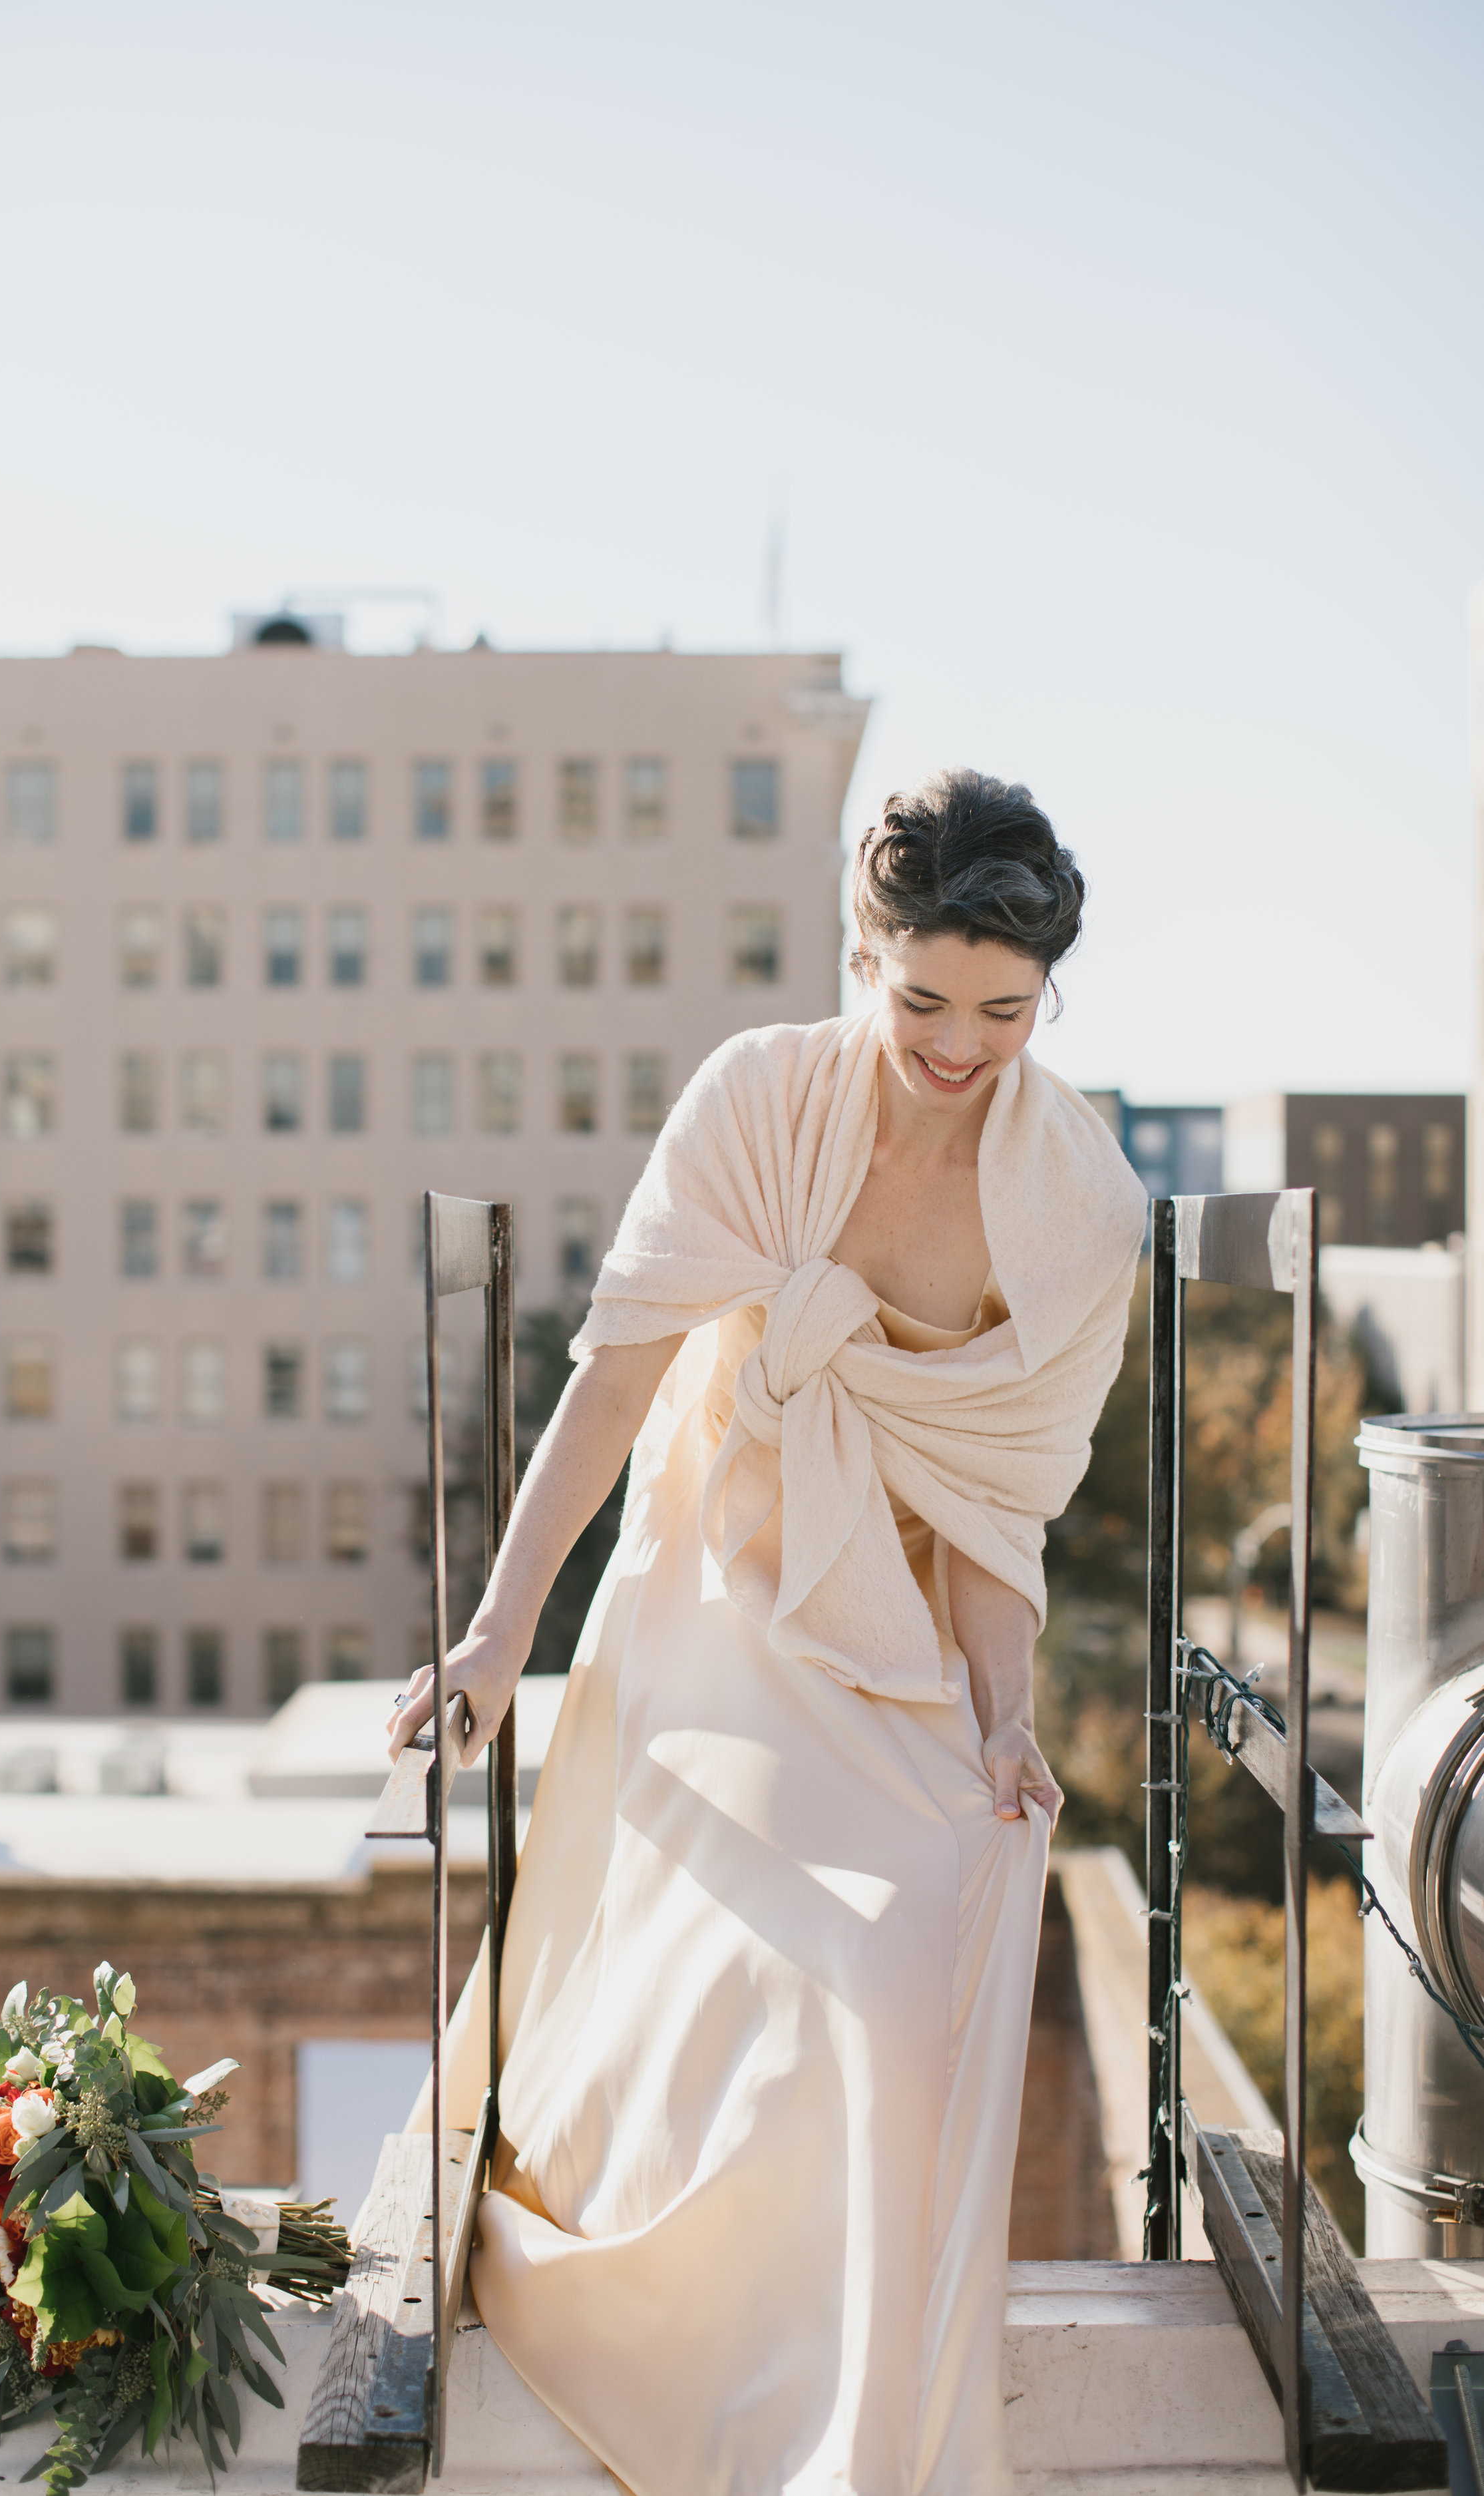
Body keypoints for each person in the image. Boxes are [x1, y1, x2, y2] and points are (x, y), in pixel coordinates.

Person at [388, 769, 1148, 2496]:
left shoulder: (1079, 1205)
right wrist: (503, 1635)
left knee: (942, 1918)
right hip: (716, 1579)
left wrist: (1002, 1715)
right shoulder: (756, 1095)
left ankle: (863, 2446)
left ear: (1050, 998)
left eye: (1005, 1012)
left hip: (903, 1621)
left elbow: (989, 1506)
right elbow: (614, 1377)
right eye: (924, 998)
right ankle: (684, 2356)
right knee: (807, 1963)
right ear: (861, 954)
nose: (960, 1044)